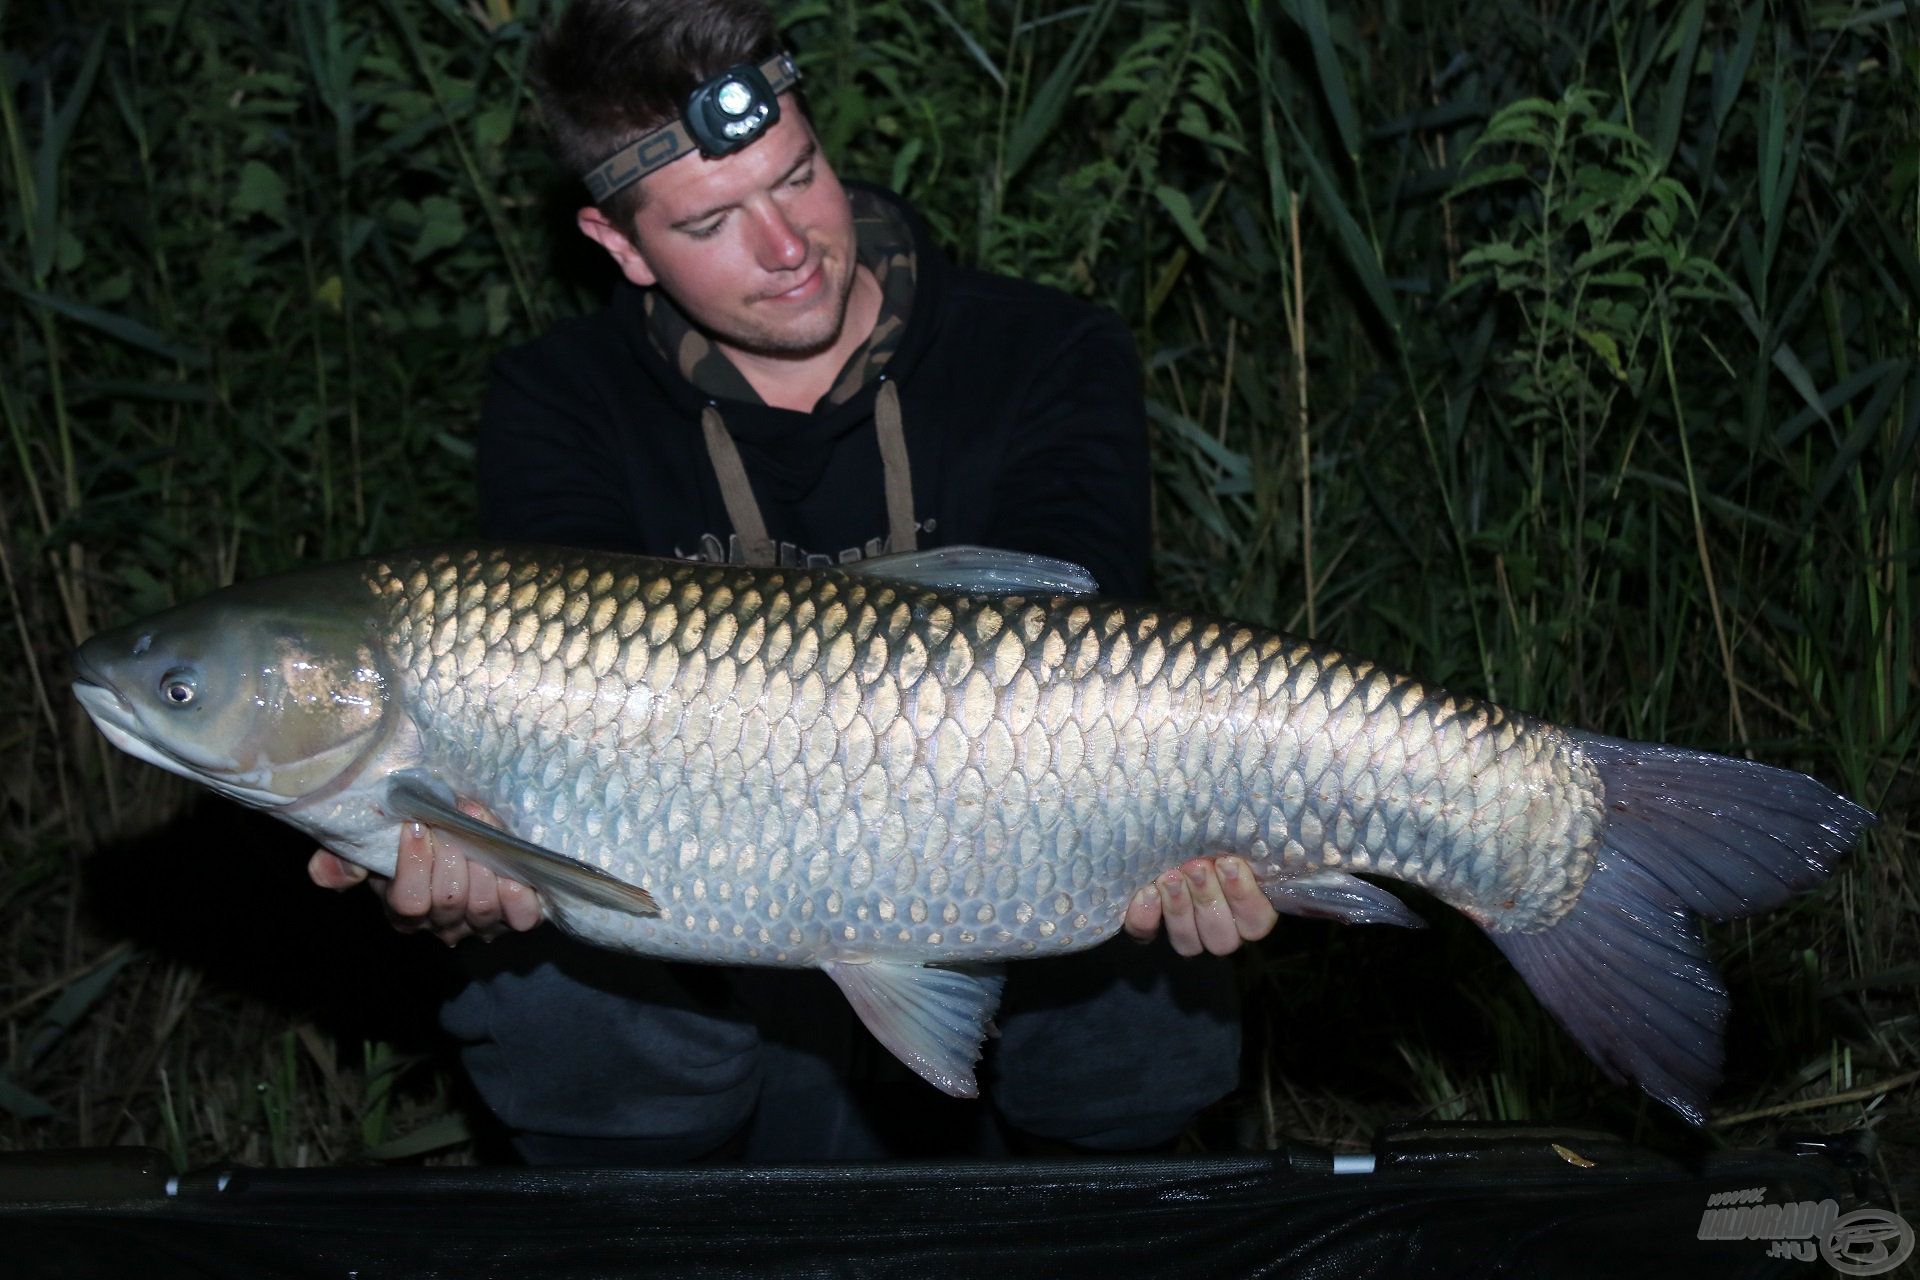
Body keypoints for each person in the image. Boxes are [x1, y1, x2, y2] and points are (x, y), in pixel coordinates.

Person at [310, 0, 1278, 1162]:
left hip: (1019, 857)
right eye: (713, 220)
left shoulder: (1043, 349)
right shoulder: (559, 400)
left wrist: (1201, 829)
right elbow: (530, 724)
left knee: (1147, 1019)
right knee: (550, 1007)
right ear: (619, 247)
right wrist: (470, 850)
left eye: (800, 174)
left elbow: (1085, 651)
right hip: (698, 910)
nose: (788, 246)